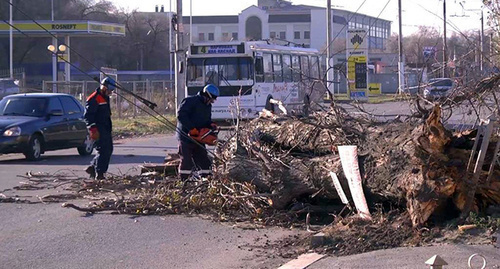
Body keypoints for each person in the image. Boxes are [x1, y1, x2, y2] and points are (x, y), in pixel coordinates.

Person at [176, 84, 219, 180]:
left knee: (203, 160)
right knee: (186, 161)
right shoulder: (190, 101)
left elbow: (206, 120)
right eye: (211, 99)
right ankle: (184, 180)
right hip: (185, 137)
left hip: (199, 137)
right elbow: (181, 115)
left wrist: (211, 125)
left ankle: (206, 178)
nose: (212, 102)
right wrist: (191, 128)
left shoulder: (208, 106)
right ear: (206, 95)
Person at [84, 77, 116, 180]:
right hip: (98, 128)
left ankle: (93, 167)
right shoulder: (94, 98)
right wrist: (93, 129)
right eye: (110, 90)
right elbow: (88, 116)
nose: (111, 92)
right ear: (104, 87)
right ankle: (100, 173)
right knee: (103, 151)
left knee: (108, 149)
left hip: (105, 127)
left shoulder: (105, 97)